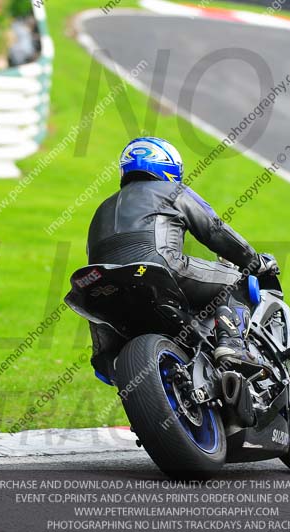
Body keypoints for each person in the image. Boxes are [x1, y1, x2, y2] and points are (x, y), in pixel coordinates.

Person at [85, 137, 277, 378]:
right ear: (170, 166)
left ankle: (112, 363)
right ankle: (232, 345)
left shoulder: (102, 208)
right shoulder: (172, 191)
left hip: (99, 285)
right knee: (237, 280)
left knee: (106, 345)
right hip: (158, 266)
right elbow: (213, 230)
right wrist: (255, 262)